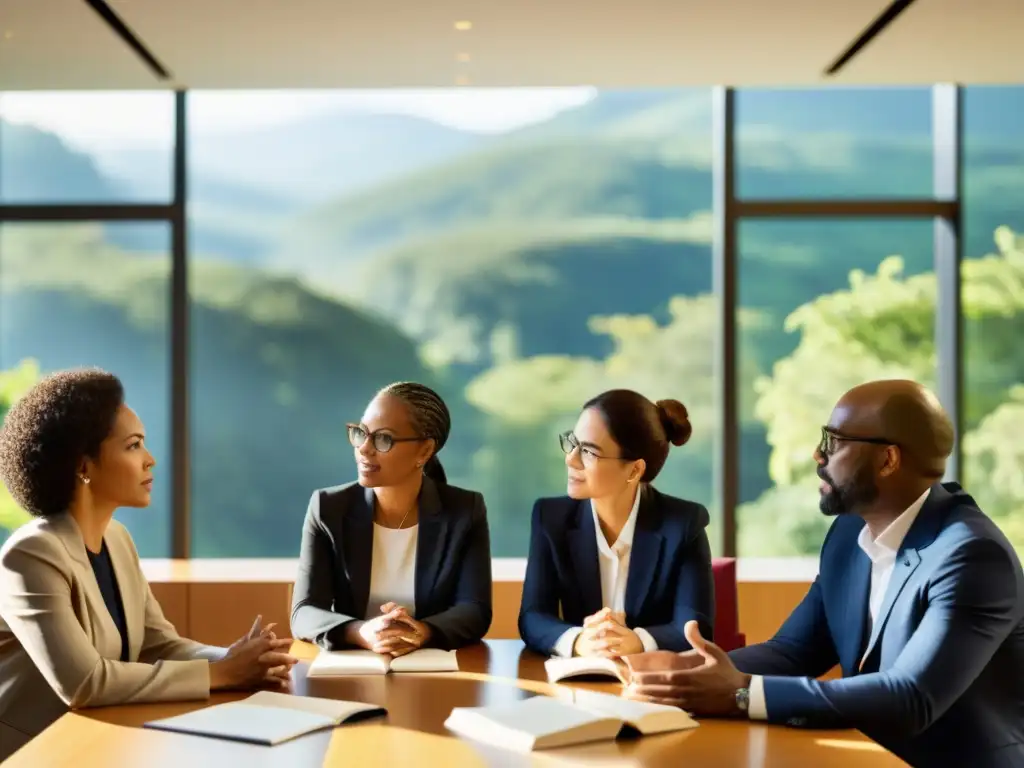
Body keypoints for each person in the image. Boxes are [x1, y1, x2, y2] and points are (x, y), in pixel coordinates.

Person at [625, 380, 1024, 768]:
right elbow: (795, 651)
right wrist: (683, 671)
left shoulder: (970, 556)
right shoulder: (850, 533)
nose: (818, 454)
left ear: (888, 459)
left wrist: (741, 694)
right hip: (861, 754)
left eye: (833, 441)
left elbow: (910, 698)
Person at [0, 369, 296, 760]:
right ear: (83, 466)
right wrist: (221, 674)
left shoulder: (117, 539)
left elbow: (159, 645)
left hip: (103, 743)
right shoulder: (30, 556)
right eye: (133, 446)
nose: (150, 460)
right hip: (34, 751)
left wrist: (237, 658)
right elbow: (84, 683)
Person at [290, 381, 492, 656]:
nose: (364, 449)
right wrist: (361, 632)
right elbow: (304, 612)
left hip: (430, 667)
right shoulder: (328, 508)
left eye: (383, 439)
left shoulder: (465, 510)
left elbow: (474, 609)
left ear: (424, 451)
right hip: (352, 668)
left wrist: (422, 631)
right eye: (361, 433)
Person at [518, 389, 714, 659]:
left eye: (588, 451)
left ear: (634, 470)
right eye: (573, 443)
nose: (570, 459)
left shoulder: (683, 524)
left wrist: (637, 640)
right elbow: (533, 617)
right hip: (578, 682)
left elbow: (696, 625)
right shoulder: (550, 518)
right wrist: (579, 641)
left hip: (652, 686)